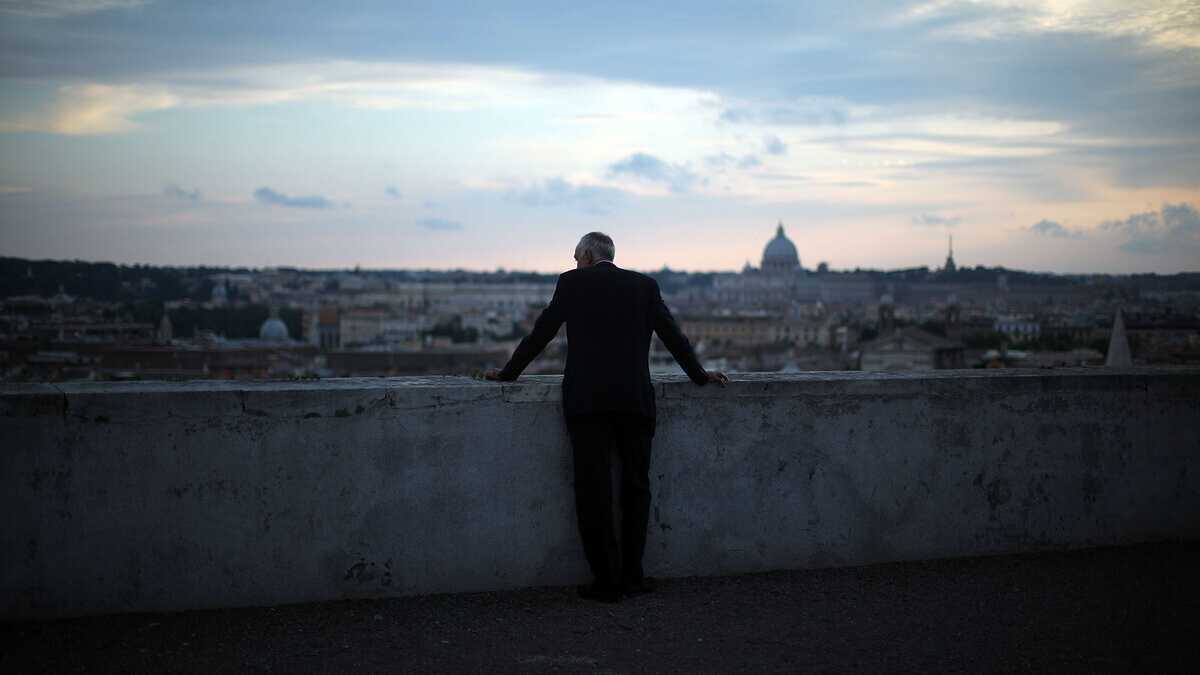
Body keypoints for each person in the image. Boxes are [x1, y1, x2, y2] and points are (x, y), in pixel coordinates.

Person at [483, 232, 729, 603]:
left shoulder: (571, 283)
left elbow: (541, 335)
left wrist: (508, 374)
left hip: (588, 402)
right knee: (636, 489)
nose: (574, 262)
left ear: (586, 254)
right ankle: (633, 576)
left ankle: (606, 581)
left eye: (575, 256)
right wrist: (699, 375)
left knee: (593, 491)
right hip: (635, 400)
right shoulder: (644, 285)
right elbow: (673, 336)